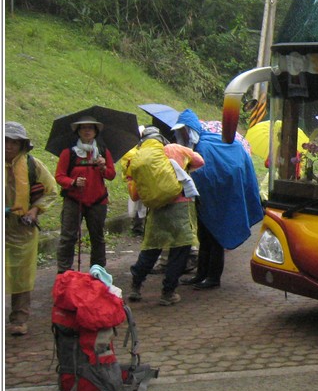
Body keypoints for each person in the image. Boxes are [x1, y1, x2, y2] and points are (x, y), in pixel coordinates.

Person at [173, 109, 263, 290]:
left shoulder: (206, 145)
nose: (181, 135)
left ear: (190, 130)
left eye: (183, 131)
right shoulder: (198, 147)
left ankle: (213, 278)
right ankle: (201, 274)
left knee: (216, 238)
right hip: (206, 200)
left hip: (221, 197)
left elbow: (213, 172)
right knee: (204, 236)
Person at [125, 127, 204, 306]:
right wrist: (185, 166)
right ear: (161, 138)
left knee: (151, 248)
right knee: (179, 249)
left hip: (157, 208)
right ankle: (168, 292)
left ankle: (136, 286)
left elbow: (136, 194)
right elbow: (200, 161)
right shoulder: (176, 149)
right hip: (181, 207)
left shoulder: (137, 159)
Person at [5, 122, 58, 336]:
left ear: (22, 145)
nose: (9, 146)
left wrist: (34, 211)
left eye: (14, 142)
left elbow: (51, 190)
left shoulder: (32, 165)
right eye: (5, 141)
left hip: (22, 228)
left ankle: (19, 318)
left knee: (21, 274)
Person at [54, 117, 116, 274]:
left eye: (91, 128)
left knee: (97, 237)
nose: (87, 131)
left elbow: (111, 175)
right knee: (68, 238)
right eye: (83, 128)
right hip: (74, 201)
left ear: (96, 132)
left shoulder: (103, 152)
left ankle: (98, 272)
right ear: (78, 131)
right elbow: (59, 176)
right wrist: (73, 182)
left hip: (98, 201)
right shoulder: (69, 153)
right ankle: (64, 273)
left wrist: (103, 167)